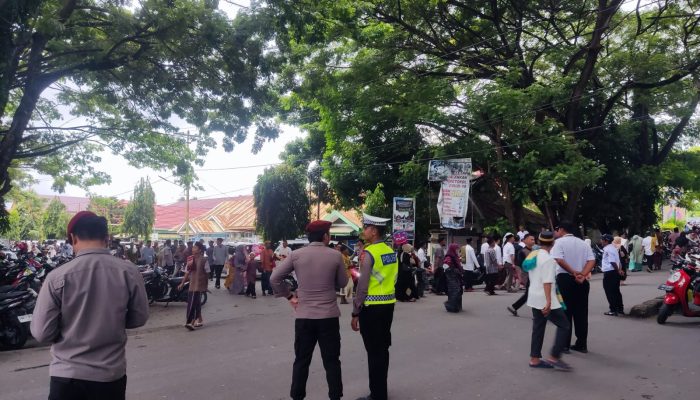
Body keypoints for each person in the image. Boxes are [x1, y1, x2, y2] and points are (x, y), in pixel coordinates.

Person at [30, 211, 148, 399]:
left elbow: (42, 333)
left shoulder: (57, 277)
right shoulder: (129, 272)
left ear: (73, 237)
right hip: (110, 377)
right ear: (107, 238)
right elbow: (139, 318)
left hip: (67, 377)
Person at [270, 220, 348, 400]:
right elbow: (343, 283)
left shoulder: (296, 255)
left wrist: (289, 296)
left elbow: (275, 278)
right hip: (328, 317)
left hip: (304, 317)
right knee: (332, 361)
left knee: (301, 360)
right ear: (325, 236)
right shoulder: (335, 256)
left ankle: (297, 396)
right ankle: (335, 397)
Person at [352, 214, 398, 400]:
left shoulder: (369, 253)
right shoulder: (389, 251)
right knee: (383, 349)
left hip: (371, 307)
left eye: (366, 228)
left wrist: (356, 311)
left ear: (374, 231)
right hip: (388, 305)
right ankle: (381, 391)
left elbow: (362, 286)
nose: (364, 231)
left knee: (373, 351)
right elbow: (394, 278)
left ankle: (377, 394)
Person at [526, 231, 572, 371]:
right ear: (553, 243)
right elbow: (547, 282)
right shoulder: (548, 260)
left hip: (534, 295)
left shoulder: (533, 255)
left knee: (538, 327)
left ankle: (534, 359)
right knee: (564, 325)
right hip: (545, 298)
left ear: (539, 242)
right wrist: (548, 302)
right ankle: (554, 356)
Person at [552, 221, 595, 354]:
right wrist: (582, 273)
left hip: (565, 279)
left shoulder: (559, 243)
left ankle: (564, 344)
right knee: (581, 312)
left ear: (562, 230)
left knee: (565, 312)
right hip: (582, 281)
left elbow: (559, 259)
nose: (556, 232)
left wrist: (573, 272)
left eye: (557, 229)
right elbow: (592, 260)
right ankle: (582, 344)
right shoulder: (583, 243)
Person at [179, 241, 208, 330]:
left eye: (195, 248)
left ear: (199, 250)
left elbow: (207, 273)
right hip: (192, 284)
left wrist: (205, 286)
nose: (193, 249)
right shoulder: (190, 259)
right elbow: (187, 273)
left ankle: (190, 322)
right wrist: (182, 283)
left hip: (199, 285)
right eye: (193, 248)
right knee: (196, 303)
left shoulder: (204, 260)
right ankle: (200, 320)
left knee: (192, 303)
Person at [508, 233, 535, 316]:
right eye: (531, 239)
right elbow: (521, 266)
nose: (533, 241)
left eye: (534, 239)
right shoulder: (522, 252)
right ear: (525, 240)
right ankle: (537, 314)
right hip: (528, 276)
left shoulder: (535, 251)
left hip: (534, 276)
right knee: (530, 294)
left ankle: (514, 307)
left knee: (529, 294)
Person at [601, 234, 624, 316]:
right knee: (616, 291)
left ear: (606, 241)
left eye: (602, 239)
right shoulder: (613, 248)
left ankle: (613, 309)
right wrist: (619, 270)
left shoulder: (607, 249)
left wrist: (618, 270)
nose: (601, 241)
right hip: (614, 272)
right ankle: (620, 309)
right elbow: (618, 261)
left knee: (609, 291)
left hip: (610, 272)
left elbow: (612, 261)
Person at [443, 243, 463, 312]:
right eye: (456, 249)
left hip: (456, 277)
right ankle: (451, 306)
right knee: (454, 291)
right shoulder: (449, 256)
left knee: (458, 291)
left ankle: (456, 306)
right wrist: (453, 270)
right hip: (451, 278)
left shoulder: (455, 256)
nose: (457, 250)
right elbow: (445, 266)